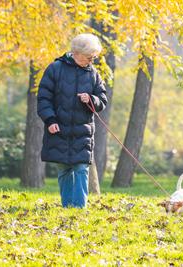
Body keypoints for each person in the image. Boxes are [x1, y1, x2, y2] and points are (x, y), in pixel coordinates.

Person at [37, 33, 107, 208]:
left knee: (82, 168)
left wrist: (91, 99)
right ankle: (67, 206)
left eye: (94, 58)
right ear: (76, 53)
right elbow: (44, 98)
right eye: (89, 57)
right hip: (59, 128)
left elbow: (102, 100)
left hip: (83, 131)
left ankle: (79, 208)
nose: (91, 61)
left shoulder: (93, 74)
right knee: (64, 169)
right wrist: (50, 120)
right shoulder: (55, 68)